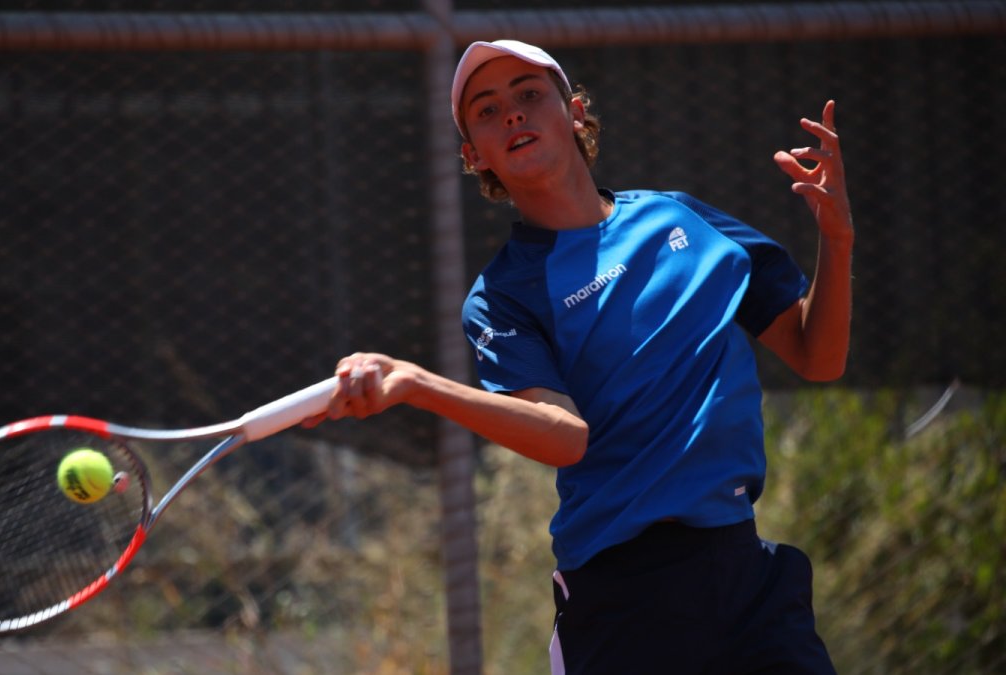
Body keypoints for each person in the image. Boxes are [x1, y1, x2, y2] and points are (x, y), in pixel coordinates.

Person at [309, 39, 852, 674]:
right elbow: (564, 438)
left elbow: (819, 358)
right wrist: (417, 384)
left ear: (575, 113)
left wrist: (837, 239)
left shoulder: (684, 219)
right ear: (472, 156)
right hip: (625, 593)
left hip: (749, 576)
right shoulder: (504, 296)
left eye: (529, 95)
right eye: (487, 111)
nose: (512, 114)